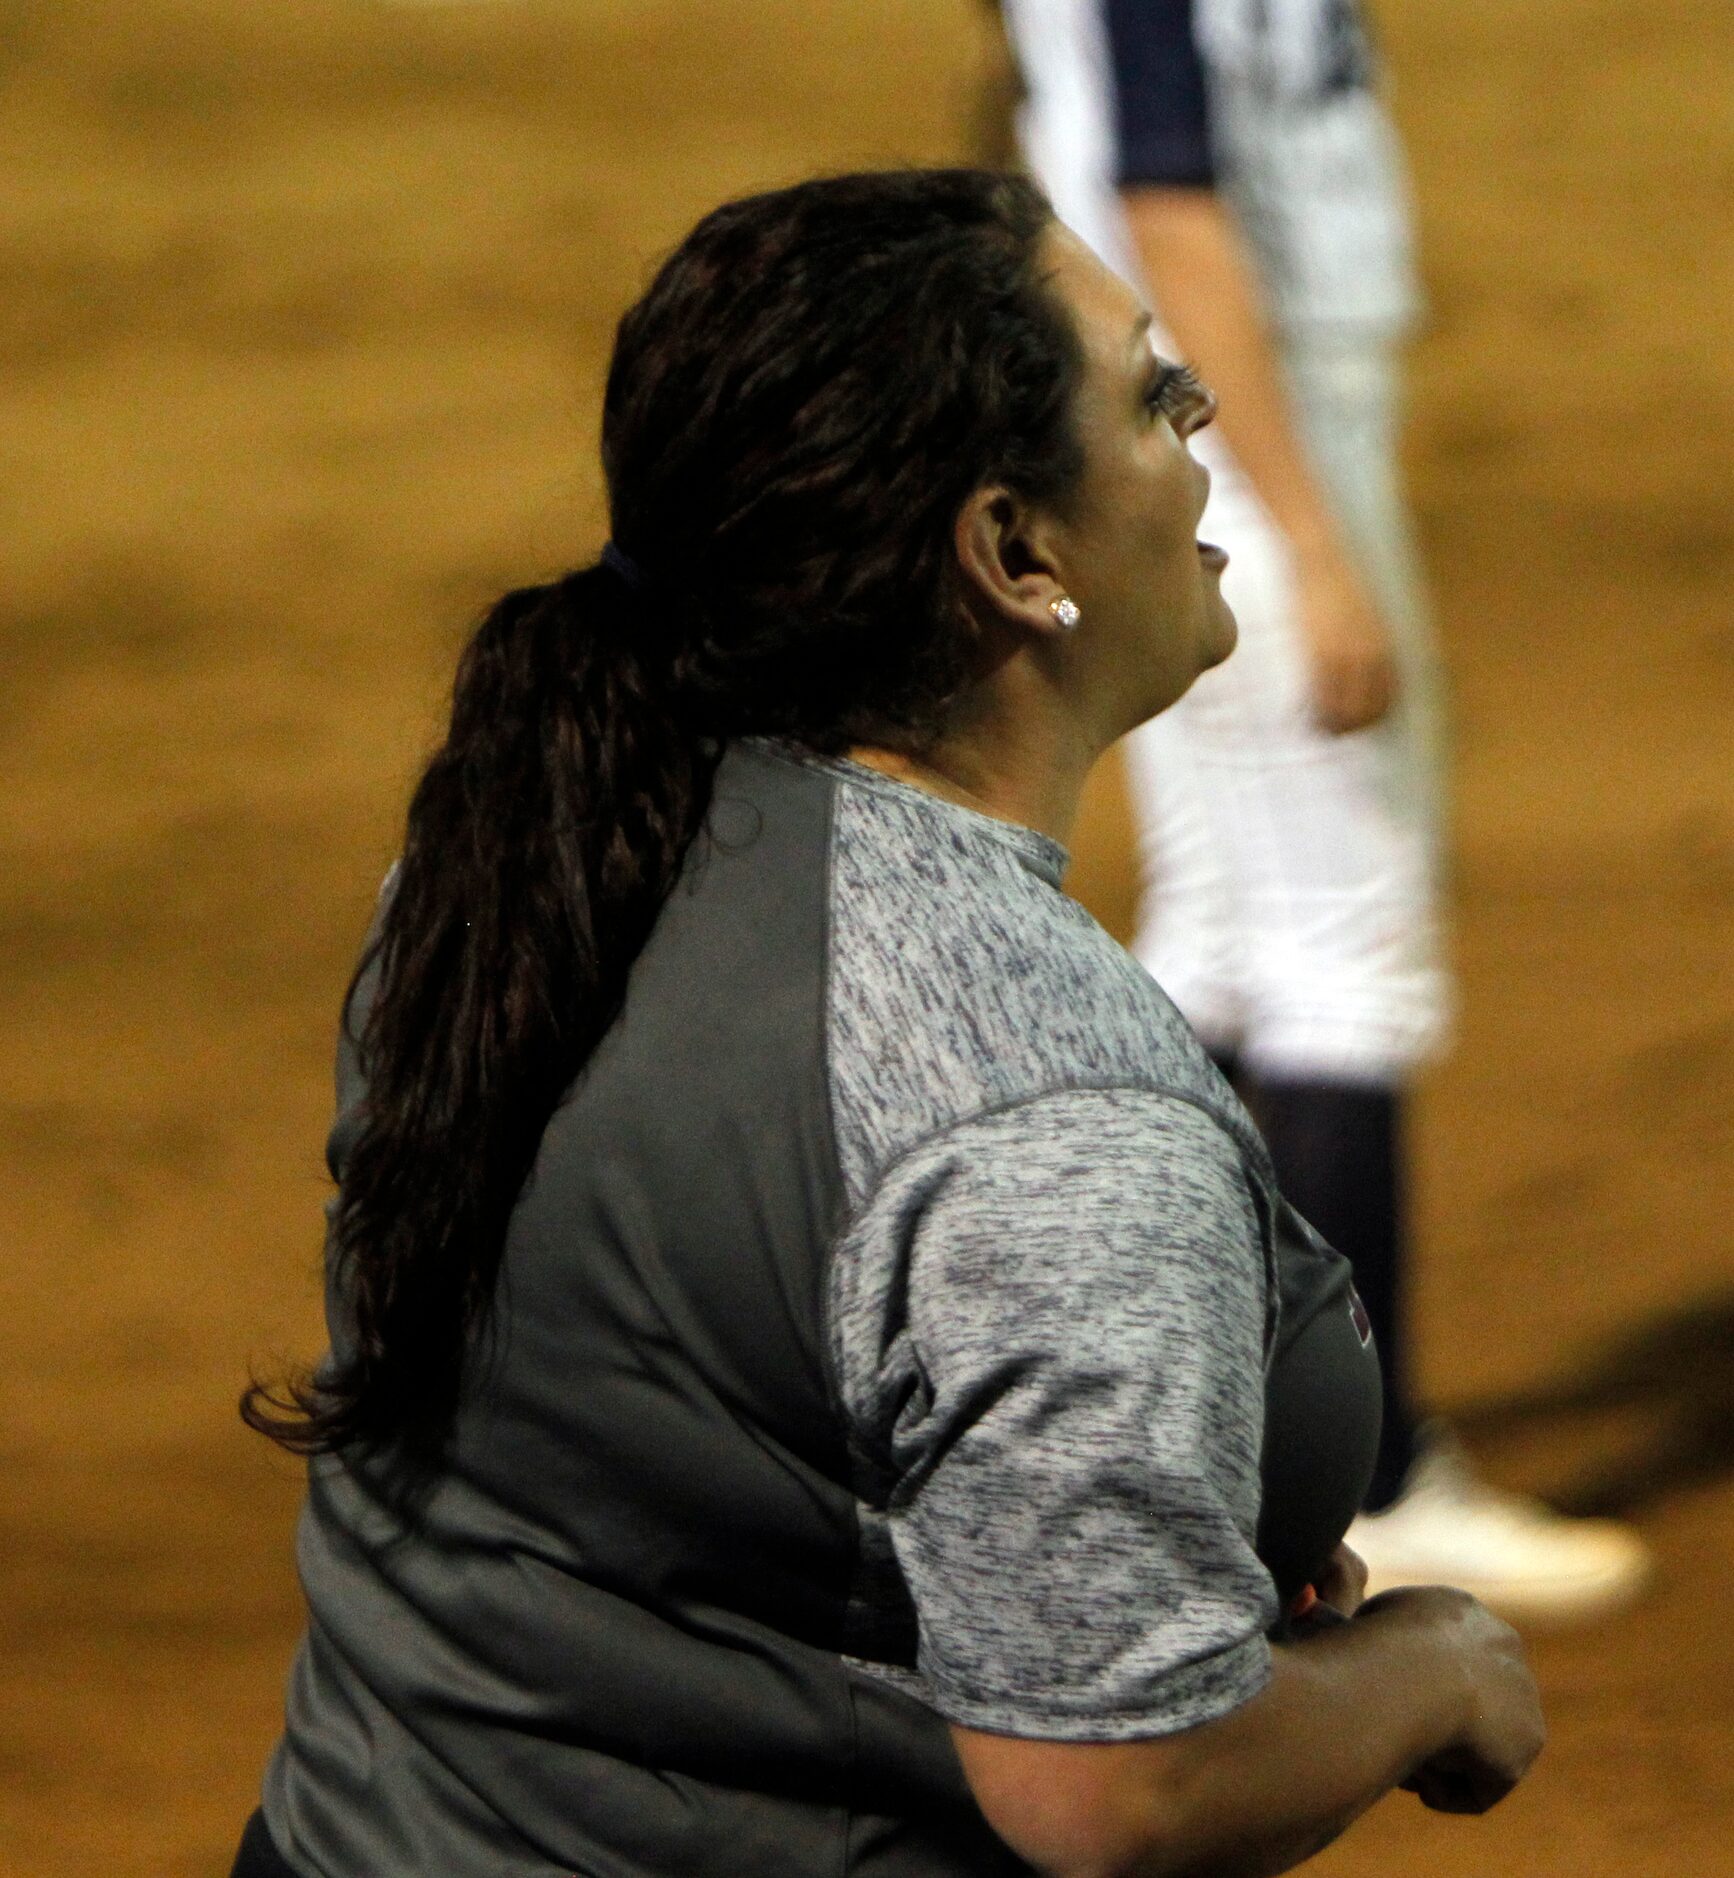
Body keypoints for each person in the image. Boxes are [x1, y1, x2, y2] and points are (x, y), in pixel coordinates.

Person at [231, 170, 1543, 1878]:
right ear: (1012, 553)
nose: (1201, 418)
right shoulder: (1039, 1101)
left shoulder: (514, 865)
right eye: (1154, 395)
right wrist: (1426, 1674)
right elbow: (1117, 1787)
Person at [993, 0, 1648, 1620]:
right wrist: (1304, 532)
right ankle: (1373, 1479)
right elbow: (1167, 201)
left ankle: (1085, 1411)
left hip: (1206, 440)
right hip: (1236, 454)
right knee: (1345, 950)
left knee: (1219, 939)